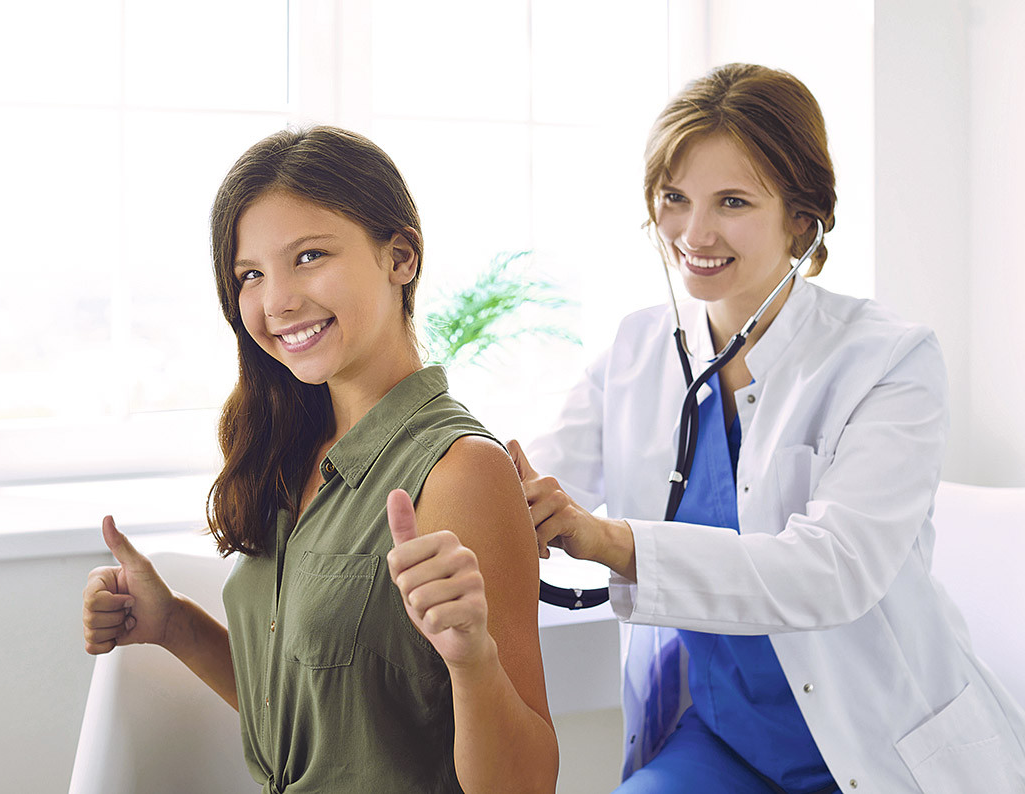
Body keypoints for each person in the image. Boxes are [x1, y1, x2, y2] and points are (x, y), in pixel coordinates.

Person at [510, 63, 1025, 793]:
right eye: (675, 198)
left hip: (876, 748)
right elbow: (537, 477)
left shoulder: (888, 360)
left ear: (801, 218)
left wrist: (611, 541)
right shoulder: (637, 350)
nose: (694, 232)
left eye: (733, 202)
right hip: (725, 742)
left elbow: (832, 570)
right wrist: (489, 497)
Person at [81, 126, 559, 793]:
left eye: (309, 256)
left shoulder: (461, 472)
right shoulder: (291, 449)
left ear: (400, 257)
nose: (277, 301)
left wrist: (472, 659)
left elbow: (528, 784)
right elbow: (326, 719)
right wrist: (176, 626)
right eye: (251, 274)